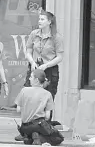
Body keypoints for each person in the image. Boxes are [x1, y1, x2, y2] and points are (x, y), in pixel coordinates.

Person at [15, 9, 64, 141]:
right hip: (35, 68)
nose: (39, 21)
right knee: (28, 97)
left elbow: (60, 57)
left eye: (42, 19)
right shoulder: (34, 34)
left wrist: (46, 65)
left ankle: (44, 131)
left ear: (49, 22)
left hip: (49, 70)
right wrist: (31, 61)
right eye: (39, 19)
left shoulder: (56, 37)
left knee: (48, 99)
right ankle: (25, 130)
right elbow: (28, 49)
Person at [15, 69, 64, 146]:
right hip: (38, 125)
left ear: (37, 80)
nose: (29, 78)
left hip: (24, 127)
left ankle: (30, 137)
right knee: (58, 138)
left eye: (31, 77)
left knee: (35, 130)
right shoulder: (48, 94)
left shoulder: (24, 90)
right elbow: (47, 117)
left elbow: (18, 110)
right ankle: (38, 138)